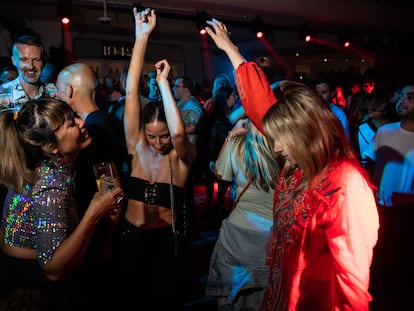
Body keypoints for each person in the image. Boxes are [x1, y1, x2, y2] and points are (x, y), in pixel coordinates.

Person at [205, 18, 379, 310]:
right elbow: (262, 107)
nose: (274, 147)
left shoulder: (344, 185)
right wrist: (231, 50)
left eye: (279, 138)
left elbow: (351, 282)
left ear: (305, 131)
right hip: (281, 291)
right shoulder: (299, 165)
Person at [0, 98, 123, 309]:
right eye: (71, 124)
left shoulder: (55, 164)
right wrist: (93, 213)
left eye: (74, 117)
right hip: (30, 284)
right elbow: (53, 270)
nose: (81, 123)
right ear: (51, 147)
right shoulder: (50, 185)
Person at [114, 8, 196, 310]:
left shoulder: (183, 157)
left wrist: (164, 84)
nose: (158, 143)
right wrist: (141, 37)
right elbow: (132, 91)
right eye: (152, 136)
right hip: (130, 238)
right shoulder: (136, 147)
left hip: (165, 243)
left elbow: (178, 136)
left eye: (162, 136)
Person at [55, 62, 127, 308]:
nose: (56, 96)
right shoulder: (106, 118)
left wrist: (105, 241)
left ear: (70, 91)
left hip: (97, 232)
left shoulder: (94, 130)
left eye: (58, 90)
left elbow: (111, 190)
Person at [206, 118, 280, 309]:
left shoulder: (238, 145)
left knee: (232, 299)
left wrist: (232, 134)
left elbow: (221, 174)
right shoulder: (285, 146)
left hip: (237, 238)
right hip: (272, 238)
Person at [364, 84, 414, 310]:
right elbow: (370, 163)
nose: (403, 100)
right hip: (380, 208)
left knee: (402, 264)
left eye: (411, 97)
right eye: (402, 95)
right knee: (377, 262)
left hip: (408, 213)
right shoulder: (385, 131)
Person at [0, 35, 57, 113]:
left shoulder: (55, 93)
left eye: (36, 60)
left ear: (43, 61)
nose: (31, 66)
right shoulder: (2, 94)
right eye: (24, 60)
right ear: (14, 61)